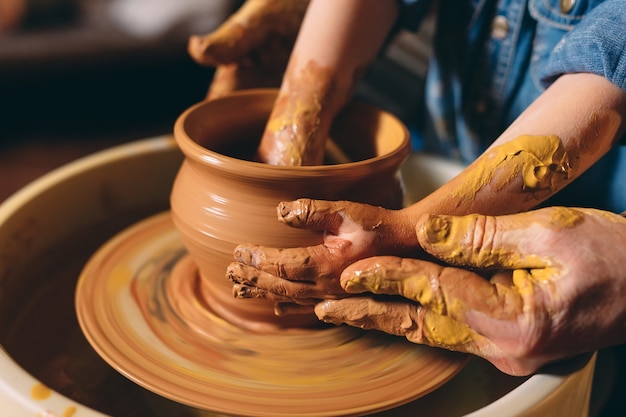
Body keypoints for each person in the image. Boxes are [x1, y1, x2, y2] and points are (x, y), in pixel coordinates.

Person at [190, 0, 626, 376]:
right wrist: (299, 106)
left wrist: (411, 230)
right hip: (448, 149)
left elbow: (614, 55)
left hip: (592, 253)